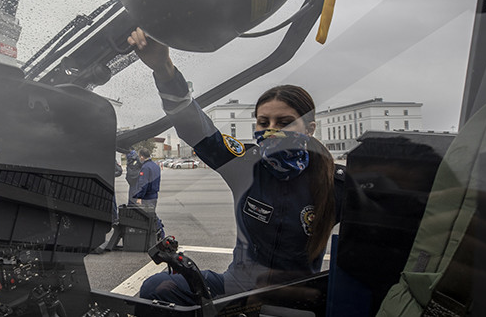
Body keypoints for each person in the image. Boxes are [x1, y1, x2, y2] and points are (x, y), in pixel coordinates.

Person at [127, 28, 344, 305]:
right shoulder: (245, 164)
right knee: (158, 287)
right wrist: (164, 69)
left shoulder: (336, 182)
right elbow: (196, 129)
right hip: (238, 288)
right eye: (263, 123)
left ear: (309, 129)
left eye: (285, 122)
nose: (272, 130)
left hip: (296, 298)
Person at [131, 148, 165, 239]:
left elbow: (143, 184)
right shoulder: (155, 166)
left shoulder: (145, 167)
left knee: (150, 216)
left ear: (142, 156)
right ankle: (156, 234)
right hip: (154, 195)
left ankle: (161, 233)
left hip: (147, 197)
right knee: (152, 215)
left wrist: (139, 197)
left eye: (139, 156)